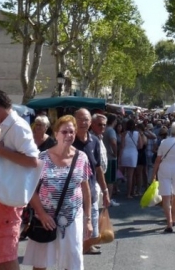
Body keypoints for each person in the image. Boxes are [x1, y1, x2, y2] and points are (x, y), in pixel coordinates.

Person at [0, 90, 39, 270]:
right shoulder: (7, 125)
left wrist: (0, 151)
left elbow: (33, 161)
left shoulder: (17, 126)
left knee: (4, 256)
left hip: (6, 199)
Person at [22, 115, 92, 270]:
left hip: (72, 218)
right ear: (56, 134)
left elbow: (86, 190)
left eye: (71, 132)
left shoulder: (82, 158)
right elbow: (31, 189)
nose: (68, 135)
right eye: (64, 132)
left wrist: (88, 220)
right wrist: (42, 213)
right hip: (46, 219)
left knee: (72, 262)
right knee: (41, 264)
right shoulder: (43, 157)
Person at [72, 109, 107, 256]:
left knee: (91, 232)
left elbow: (98, 168)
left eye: (86, 119)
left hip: (90, 193)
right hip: (72, 197)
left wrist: (105, 191)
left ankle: (83, 251)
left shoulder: (94, 141)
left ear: (90, 123)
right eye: (79, 119)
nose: (83, 122)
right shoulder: (69, 140)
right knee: (76, 234)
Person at [120, 119, 141, 199]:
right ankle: (129, 193)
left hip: (125, 153)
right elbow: (140, 146)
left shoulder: (124, 134)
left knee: (121, 172)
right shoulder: (137, 134)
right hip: (133, 154)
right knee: (130, 176)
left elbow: (122, 146)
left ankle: (115, 188)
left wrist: (120, 157)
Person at [103, 115, 119, 206]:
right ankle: (109, 199)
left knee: (105, 179)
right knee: (111, 180)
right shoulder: (111, 130)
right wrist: (115, 153)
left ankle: (104, 198)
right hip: (110, 158)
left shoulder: (104, 129)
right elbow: (113, 142)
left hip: (104, 157)